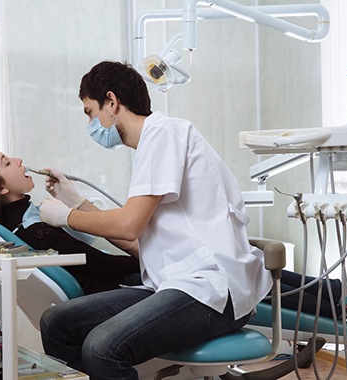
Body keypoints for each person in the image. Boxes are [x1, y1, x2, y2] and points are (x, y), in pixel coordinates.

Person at [38, 60, 273, 380]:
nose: (91, 124)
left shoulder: (164, 133)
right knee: (57, 323)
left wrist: (68, 217)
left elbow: (127, 225)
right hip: (171, 283)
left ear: (111, 102)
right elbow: (136, 243)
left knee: (101, 347)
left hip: (211, 291)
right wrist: (75, 201)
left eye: (90, 112)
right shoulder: (152, 145)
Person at [0, 147, 141, 294]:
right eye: (7, 162)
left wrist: (74, 202)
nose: (18, 159)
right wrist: (146, 261)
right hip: (113, 289)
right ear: (1, 187)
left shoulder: (18, 227)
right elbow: (105, 265)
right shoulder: (35, 231)